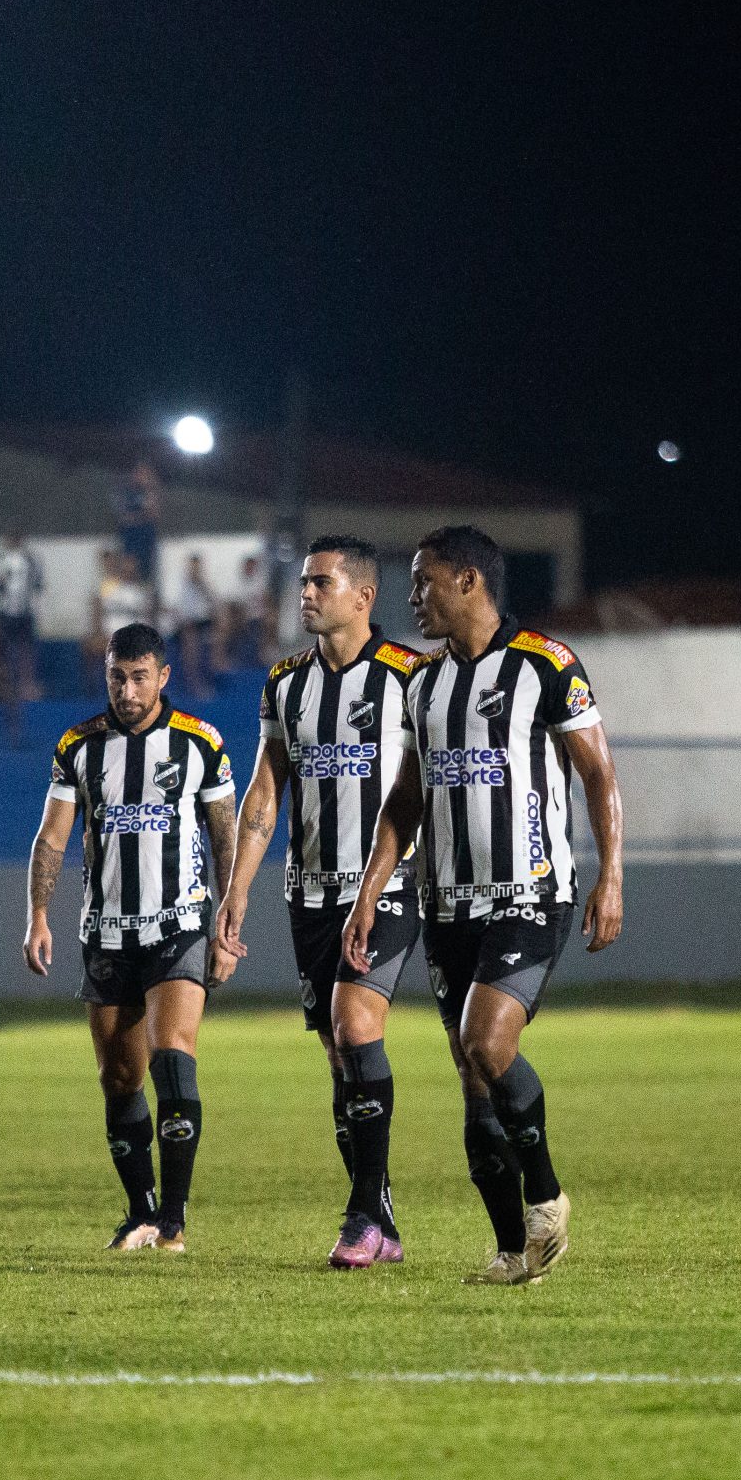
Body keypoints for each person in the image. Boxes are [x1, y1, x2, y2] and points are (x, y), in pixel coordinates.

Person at [344, 525, 625, 1286]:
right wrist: (369, 893)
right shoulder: (423, 684)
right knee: (473, 1077)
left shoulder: (546, 663)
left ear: (468, 581)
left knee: (487, 1041)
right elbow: (405, 800)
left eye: (424, 580)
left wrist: (611, 876)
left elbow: (598, 773)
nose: (413, 597)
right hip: (446, 907)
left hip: (530, 893)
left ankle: (547, 1196)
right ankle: (512, 1251)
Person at [215, 539, 424, 1267]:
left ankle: (361, 1218)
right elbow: (264, 793)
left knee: (356, 1024)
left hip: (386, 886)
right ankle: (381, 1216)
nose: (305, 593)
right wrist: (236, 891)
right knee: (339, 1054)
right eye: (303, 582)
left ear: (363, 596)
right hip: (308, 894)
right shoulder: (284, 683)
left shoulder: (410, 676)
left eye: (320, 583)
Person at [23, 624, 239, 1254]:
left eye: (140, 677)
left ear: (163, 676)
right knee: (119, 1077)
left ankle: (173, 1220)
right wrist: (39, 914)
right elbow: (53, 837)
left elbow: (225, 835)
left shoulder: (200, 741)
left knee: (172, 1055)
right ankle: (141, 1212)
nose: (127, 690)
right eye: (117, 677)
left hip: (179, 924)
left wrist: (228, 922)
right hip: (106, 931)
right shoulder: (78, 745)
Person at [0, 533, 43, 705]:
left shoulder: (30, 559)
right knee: (2, 649)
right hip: (3, 610)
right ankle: (5, 685)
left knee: (26, 650)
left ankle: (26, 684)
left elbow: (38, 583)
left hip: (24, 610)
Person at [83, 549, 153, 674]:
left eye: (131, 568)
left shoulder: (141, 591)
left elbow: (147, 618)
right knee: (89, 645)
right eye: (125, 568)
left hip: (131, 635)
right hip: (108, 633)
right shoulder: (109, 587)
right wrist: (98, 631)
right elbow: (98, 610)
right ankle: (93, 685)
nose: (128, 571)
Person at [167, 552, 216, 696]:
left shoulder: (204, 584)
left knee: (219, 628)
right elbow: (172, 609)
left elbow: (213, 604)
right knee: (190, 636)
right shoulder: (177, 585)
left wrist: (201, 585)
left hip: (201, 621)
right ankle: (195, 683)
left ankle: (219, 667)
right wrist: (184, 620)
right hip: (182, 625)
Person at [114, 457, 161, 582]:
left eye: (145, 474)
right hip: (131, 538)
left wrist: (150, 489)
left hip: (147, 538)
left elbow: (154, 515)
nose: (142, 477)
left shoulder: (150, 492)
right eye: (140, 473)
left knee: (147, 570)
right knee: (130, 567)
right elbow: (123, 518)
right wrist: (141, 516)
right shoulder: (126, 493)